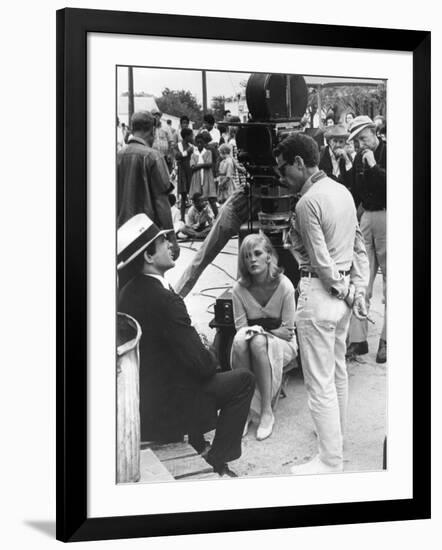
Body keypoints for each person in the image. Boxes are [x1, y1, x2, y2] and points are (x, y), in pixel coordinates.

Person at [117, 214, 255, 477]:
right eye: (162, 242)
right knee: (243, 381)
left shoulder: (127, 292)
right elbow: (203, 367)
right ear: (148, 256)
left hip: (142, 399)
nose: (171, 245)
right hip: (164, 411)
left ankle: (198, 443)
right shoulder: (165, 300)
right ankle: (217, 458)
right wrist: (208, 353)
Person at [273, 133, 369, 474]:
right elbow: (358, 248)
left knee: (319, 381)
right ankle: (335, 440)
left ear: (300, 163)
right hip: (342, 297)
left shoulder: (307, 202)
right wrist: (356, 290)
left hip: (320, 293)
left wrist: (344, 289)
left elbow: (322, 262)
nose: (282, 178)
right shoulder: (341, 190)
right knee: (337, 372)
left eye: (284, 170)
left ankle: (330, 459)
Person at [231, 234, 297, 441]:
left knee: (257, 341)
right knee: (243, 342)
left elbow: (288, 332)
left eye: (257, 253)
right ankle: (246, 410)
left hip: (284, 345)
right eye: (247, 256)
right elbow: (241, 330)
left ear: (269, 256)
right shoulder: (239, 289)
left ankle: (266, 411)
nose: (252, 259)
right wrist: (266, 330)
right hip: (252, 342)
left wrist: (259, 331)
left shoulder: (285, 286)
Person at [346, 115, 387, 363]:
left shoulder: (389, 151)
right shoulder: (360, 156)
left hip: (387, 213)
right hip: (366, 216)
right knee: (361, 277)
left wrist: (373, 167)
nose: (361, 143)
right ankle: (358, 340)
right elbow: (352, 188)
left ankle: (386, 340)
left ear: (374, 131)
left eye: (363, 137)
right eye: (357, 140)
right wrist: (347, 166)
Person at [117, 110, 179, 261]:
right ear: (152, 130)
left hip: (121, 233)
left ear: (132, 129)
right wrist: (172, 238)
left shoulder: (117, 156)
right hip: (147, 233)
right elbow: (161, 201)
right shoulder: (153, 156)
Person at [189, 132, 218, 218]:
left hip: (207, 177)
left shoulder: (208, 152)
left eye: (201, 142)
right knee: (198, 198)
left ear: (204, 143)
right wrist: (202, 165)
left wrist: (198, 165)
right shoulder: (194, 154)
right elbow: (192, 167)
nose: (199, 144)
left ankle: (217, 216)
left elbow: (209, 164)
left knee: (211, 198)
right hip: (197, 178)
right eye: (197, 143)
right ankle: (200, 218)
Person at [318, 124, 353, 190]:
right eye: (335, 141)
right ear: (329, 142)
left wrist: (347, 160)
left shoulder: (347, 156)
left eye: (341, 142)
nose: (338, 145)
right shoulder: (321, 156)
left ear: (345, 143)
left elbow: (351, 180)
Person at [175, 128, 194, 222]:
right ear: (186, 136)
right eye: (191, 135)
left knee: (194, 195)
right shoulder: (178, 145)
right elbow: (177, 156)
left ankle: (195, 218)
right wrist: (187, 152)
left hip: (190, 172)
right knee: (183, 196)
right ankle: (182, 218)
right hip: (182, 172)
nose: (192, 137)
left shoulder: (191, 145)